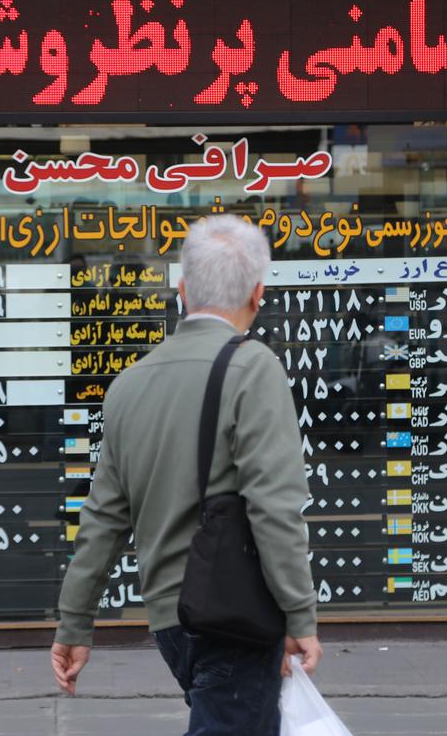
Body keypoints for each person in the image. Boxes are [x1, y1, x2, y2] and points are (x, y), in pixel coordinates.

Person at [51, 214, 322, 735]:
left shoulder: (129, 385)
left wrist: (75, 622)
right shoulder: (255, 368)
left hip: (171, 623)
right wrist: (299, 614)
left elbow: (103, 518)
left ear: (181, 290)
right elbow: (274, 508)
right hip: (234, 613)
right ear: (258, 293)